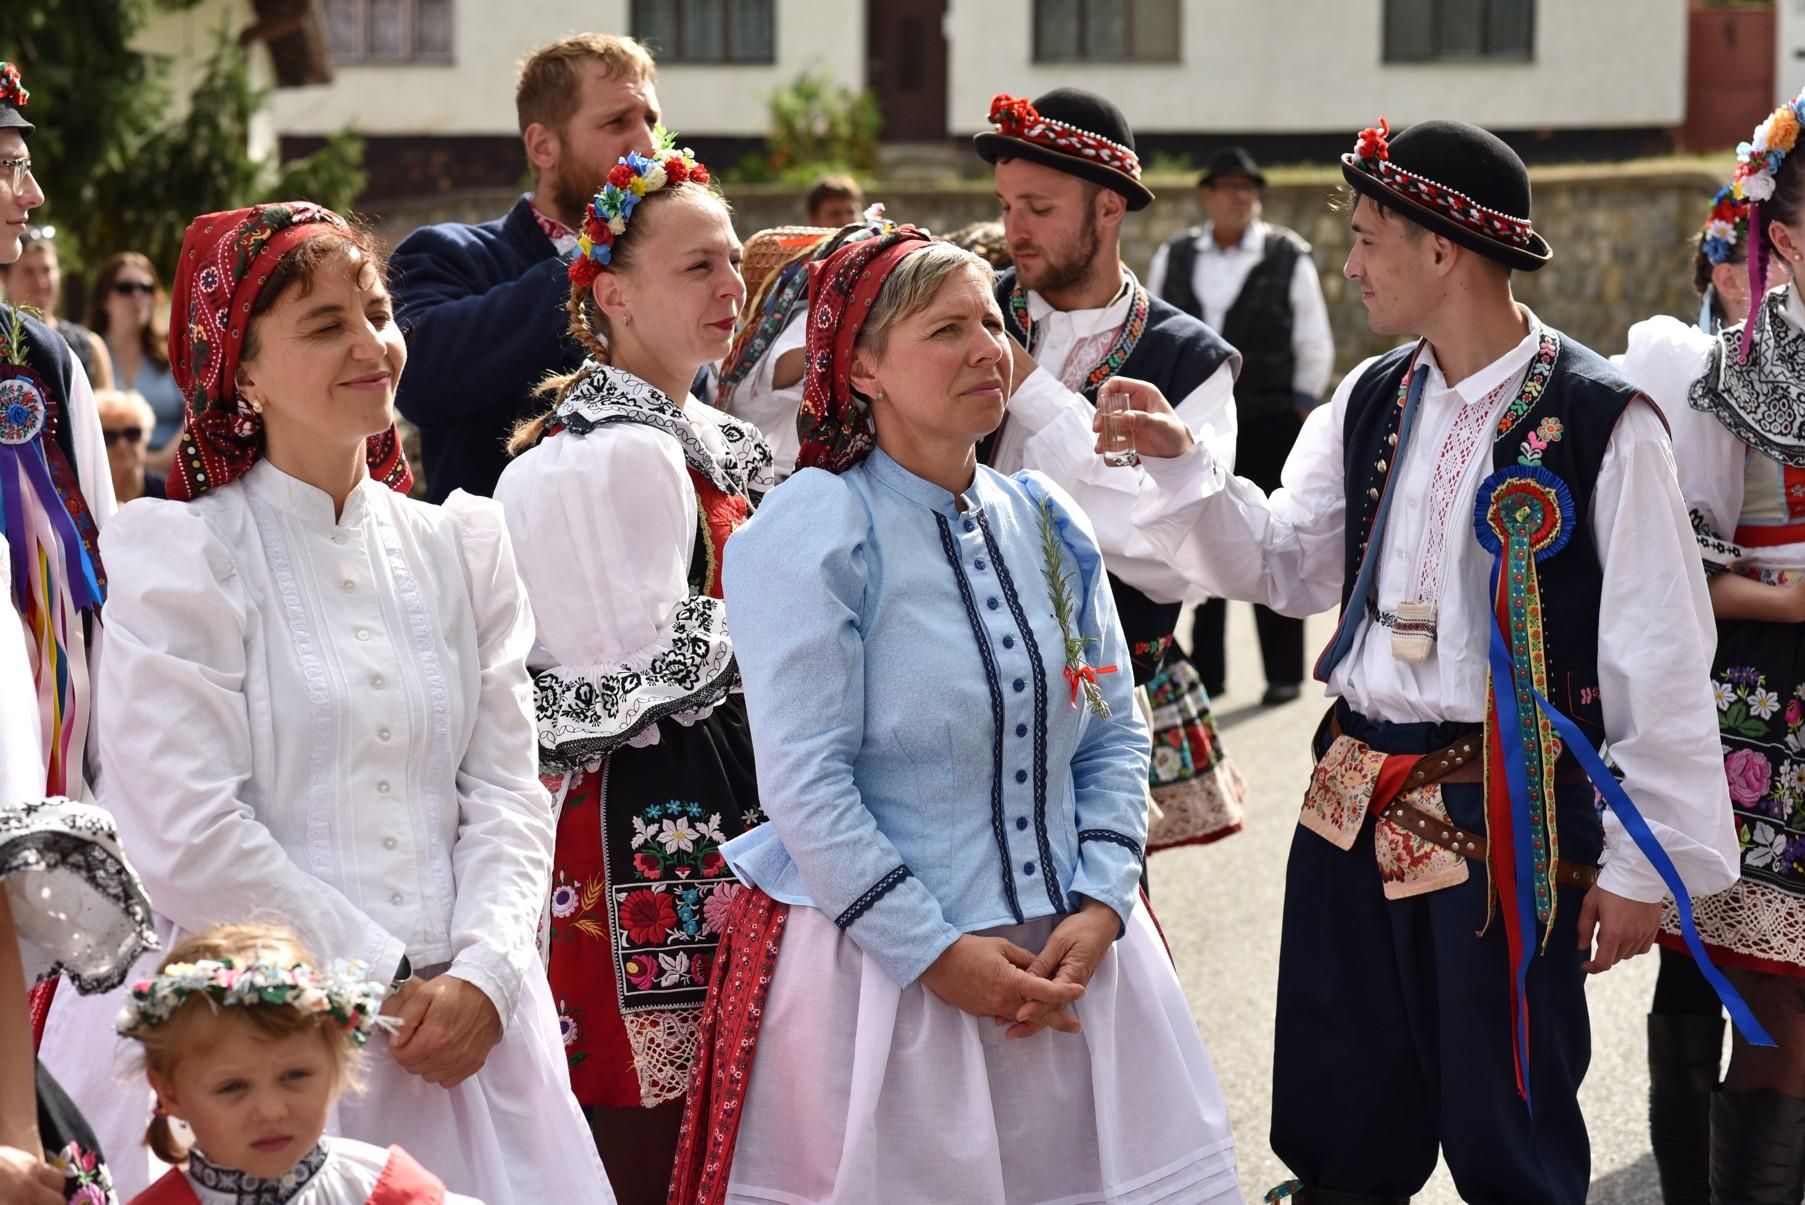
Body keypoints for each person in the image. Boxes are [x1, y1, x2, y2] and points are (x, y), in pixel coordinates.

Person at [1121, 116, 1756, 1203]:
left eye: (1367, 239)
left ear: (1441, 249)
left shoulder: (1600, 420)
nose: (1349, 265)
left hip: (1504, 817)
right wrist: (1186, 470)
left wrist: (1642, 867)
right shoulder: (1370, 395)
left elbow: (1656, 651)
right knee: (1339, 1117)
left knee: (1508, 1128)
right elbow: (1284, 561)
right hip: (1347, 800)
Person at [50, 201, 612, 1204]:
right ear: (243, 374)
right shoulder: (186, 554)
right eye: (324, 325)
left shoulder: (461, 547)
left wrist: (487, 973)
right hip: (258, 1045)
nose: (371, 345)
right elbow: (184, 827)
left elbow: (507, 789)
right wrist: (383, 982)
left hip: (472, 1044)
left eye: (379, 313)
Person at [670, 226, 1240, 1205]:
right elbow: (807, 785)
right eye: (945, 330)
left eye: (991, 323)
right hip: (889, 983)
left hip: (1076, 959)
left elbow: (1110, 727)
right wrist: (934, 954)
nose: (987, 350)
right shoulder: (812, 533)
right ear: (862, 368)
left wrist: (1103, 899)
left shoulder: (1048, 518)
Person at [494, 134, 766, 1205]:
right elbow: (598, 694)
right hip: (644, 826)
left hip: (723, 807)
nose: (730, 284)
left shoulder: (701, 434)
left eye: (732, 259)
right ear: (611, 295)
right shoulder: (605, 451)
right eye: (697, 265)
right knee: (649, 1142)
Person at [1614, 86, 1805, 1205]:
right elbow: (1672, 561)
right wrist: (1786, 599)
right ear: (1784, 237)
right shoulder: (1718, 371)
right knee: (1762, 988)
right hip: (1764, 699)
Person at [977, 88, 1246, 851]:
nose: (1013, 230)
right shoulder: (970, 311)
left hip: (1094, 715)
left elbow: (1171, 550)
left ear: (1108, 207)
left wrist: (1030, 387)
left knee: (1101, 909)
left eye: (1037, 207)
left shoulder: (1189, 360)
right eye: (1005, 205)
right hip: (952, 695)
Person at [391, 34, 660, 502]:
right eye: (618, 122)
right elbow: (414, 381)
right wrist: (595, 261)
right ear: (543, 147)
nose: (647, 144)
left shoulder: (657, 266)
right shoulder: (448, 253)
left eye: (651, 120)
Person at [1148, 146, 1335, 707]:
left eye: (1248, 189)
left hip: (1269, 418)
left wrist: (1299, 406)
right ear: (1207, 196)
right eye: (1230, 188)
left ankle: (1283, 672)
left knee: (1278, 536)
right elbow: (1157, 327)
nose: (1241, 198)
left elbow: (1312, 337)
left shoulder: (1287, 254)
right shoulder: (1175, 254)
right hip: (1194, 420)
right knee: (1203, 535)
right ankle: (1209, 673)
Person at [118, 923, 480, 1205]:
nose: (271, 1111)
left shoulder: (389, 1194)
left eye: (294, 1076)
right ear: (169, 1092)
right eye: (233, 1087)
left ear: (336, 1067)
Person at [0, 59, 113, 806]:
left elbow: (100, 570)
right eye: (9, 168)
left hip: (32, 758)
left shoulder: (41, 362)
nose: (32, 194)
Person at [86, 253, 182, 473]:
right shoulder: (85, 353)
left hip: (170, 476)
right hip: (105, 477)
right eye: (126, 288)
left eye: (147, 288)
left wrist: (161, 460)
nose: (138, 295)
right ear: (104, 299)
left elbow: (196, 415)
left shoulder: (176, 352)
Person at [1, 227, 113, 390]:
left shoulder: (89, 346)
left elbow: (105, 404)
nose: (40, 282)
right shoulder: (2, 339)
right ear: (4, 278)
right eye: (28, 272)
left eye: (47, 270)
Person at [96, 389, 165, 503]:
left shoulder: (169, 495)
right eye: (109, 436)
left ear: (146, 436)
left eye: (132, 433)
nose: (122, 444)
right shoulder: (83, 495)